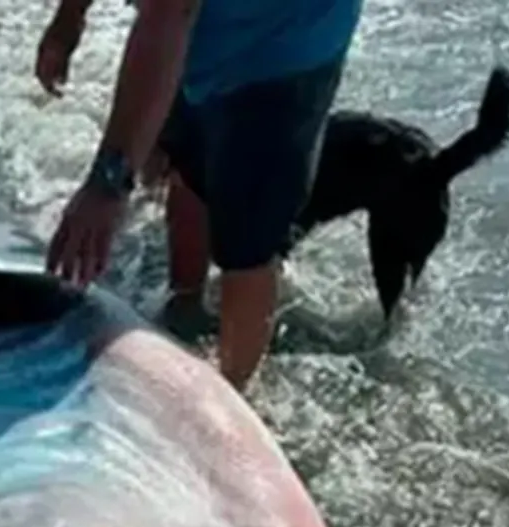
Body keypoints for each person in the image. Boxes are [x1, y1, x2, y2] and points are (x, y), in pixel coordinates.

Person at [38, 0, 360, 391]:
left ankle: (235, 389)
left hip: (287, 42)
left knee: (247, 240)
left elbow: (171, 12)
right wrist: (68, 19)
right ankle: (185, 306)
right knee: (189, 161)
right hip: (194, 30)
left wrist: (107, 184)